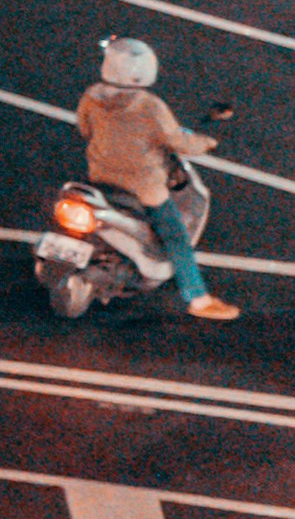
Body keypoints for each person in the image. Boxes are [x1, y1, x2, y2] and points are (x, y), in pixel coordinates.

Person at [80, 37, 236, 320]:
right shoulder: (148, 105)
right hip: (143, 187)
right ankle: (198, 298)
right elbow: (177, 140)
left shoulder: (92, 96)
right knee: (176, 237)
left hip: (100, 176)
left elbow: (84, 128)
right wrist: (207, 143)